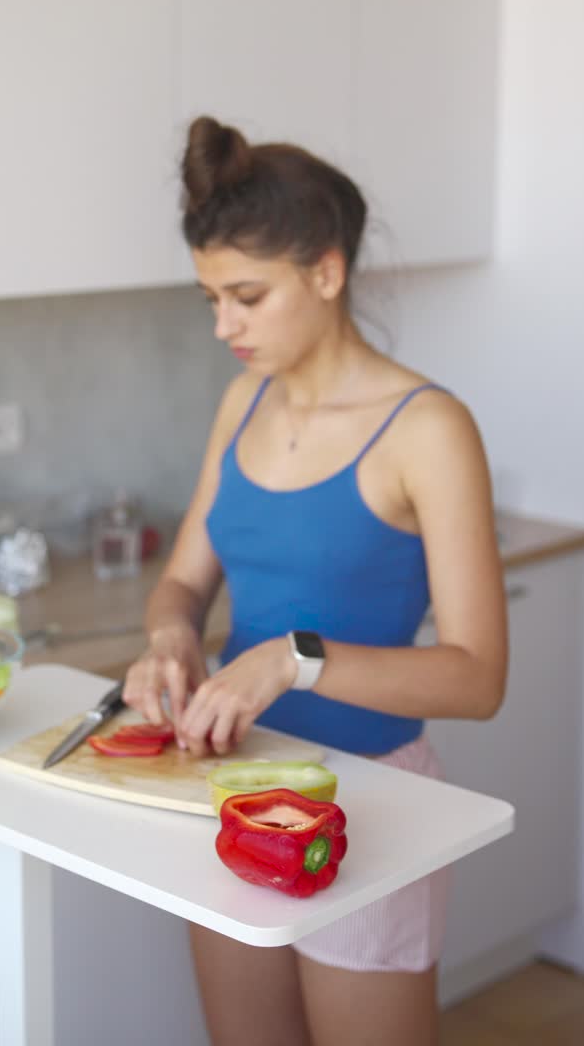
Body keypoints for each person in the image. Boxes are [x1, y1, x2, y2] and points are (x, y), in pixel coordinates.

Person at [122, 116, 508, 1046]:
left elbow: (477, 677)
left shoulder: (428, 428)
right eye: (212, 298)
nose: (224, 326)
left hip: (369, 803)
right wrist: (171, 637)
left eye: (247, 297)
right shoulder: (242, 402)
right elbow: (182, 583)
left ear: (326, 273)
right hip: (235, 784)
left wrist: (293, 660)